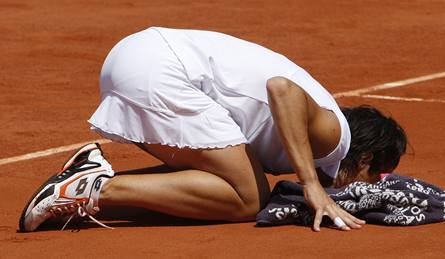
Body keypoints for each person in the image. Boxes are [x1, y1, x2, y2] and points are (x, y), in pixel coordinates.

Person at [19, 27, 407, 232]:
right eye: (377, 176)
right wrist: (310, 186)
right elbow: (281, 89)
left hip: (137, 57)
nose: (372, 186)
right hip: (161, 70)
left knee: (225, 179)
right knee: (249, 198)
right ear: (366, 158)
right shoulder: (335, 138)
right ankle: (93, 189)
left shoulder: (317, 136)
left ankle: (83, 182)